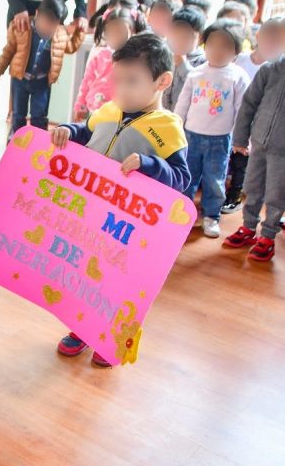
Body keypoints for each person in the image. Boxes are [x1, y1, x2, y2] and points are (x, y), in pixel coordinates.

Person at [51, 33, 190, 367]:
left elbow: (182, 179)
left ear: (162, 81)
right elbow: (89, 133)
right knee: (86, 274)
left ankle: (111, 337)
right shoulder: (108, 110)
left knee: (119, 282)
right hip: (91, 213)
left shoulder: (168, 128)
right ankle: (83, 329)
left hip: (129, 226)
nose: (122, 90)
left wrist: (151, 165)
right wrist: (69, 131)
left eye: (133, 81)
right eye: (117, 80)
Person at [224, 3, 285, 261]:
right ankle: (248, 227)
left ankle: (267, 236)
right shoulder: (271, 69)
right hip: (258, 144)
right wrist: (239, 138)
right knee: (253, 187)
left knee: (276, 195)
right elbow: (248, 105)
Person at [174, 19, 250, 238]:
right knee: (188, 177)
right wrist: (176, 127)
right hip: (191, 136)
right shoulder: (196, 73)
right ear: (204, 45)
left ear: (235, 51)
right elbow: (183, 103)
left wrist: (241, 138)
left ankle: (211, 216)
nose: (217, 50)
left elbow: (241, 110)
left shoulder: (237, 76)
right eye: (213, 44)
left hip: (220, 139)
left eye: (225, 46)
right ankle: (183, 215)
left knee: (214, 179)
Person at [0, 0, 85, 133]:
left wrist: (81, 31)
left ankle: (39, 143)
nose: (47, 27)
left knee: (39, 116)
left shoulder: (60, 35)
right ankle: (16, 141)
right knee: (18, 114)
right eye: (45, 21)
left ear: (59, 25)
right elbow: (9, 49)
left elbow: (72, 47)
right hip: (20, 80)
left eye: (53, 24)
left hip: (42, 83)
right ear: (37, 13)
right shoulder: (22, 28)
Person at [223, 18, 285, 213]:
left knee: (242, 162)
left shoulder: (278, 69)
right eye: (269, 38)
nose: (273, 44)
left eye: (279, 40)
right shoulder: (240, 59)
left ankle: (235, 195)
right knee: (227, 159)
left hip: (255, 126)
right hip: (229, 119)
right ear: (258, 36)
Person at [74, 7, 147, 121]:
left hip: (120, 115)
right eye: (110, 31)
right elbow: (86, 81)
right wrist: (80, 106)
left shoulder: (136, 61)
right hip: (95, 110)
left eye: (119, 31)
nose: (114, 36)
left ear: (132, 31)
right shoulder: (99, 55)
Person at [162, 6, 207, 111]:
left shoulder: (203, 61)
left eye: (186, 36)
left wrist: (183, 64)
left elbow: (200, 89)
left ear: (200, 38)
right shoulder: (163, 55)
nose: (180, 40)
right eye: (175, 34)